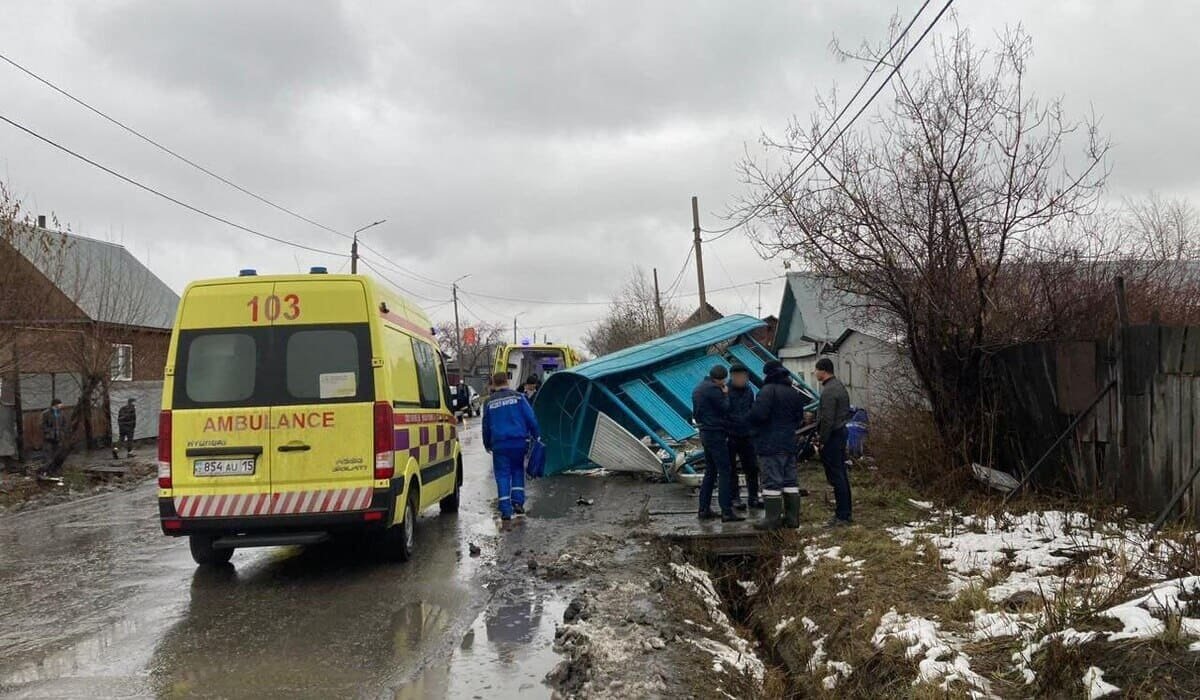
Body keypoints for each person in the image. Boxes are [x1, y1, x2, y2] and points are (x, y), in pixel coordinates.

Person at [748, 360, 806, 530]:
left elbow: (758, 415)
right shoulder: (793, 392)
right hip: (789, 443)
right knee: (790, 482)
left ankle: (772, 519)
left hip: (770, 444)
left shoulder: (767, 391)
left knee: (772, 482)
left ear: (768, 374)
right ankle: (792, 518)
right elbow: (799, 418)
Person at [482, 371, 540, 521]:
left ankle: (506, 510)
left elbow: (486, 425)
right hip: (519, 442)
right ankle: (518, 503)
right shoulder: (519, 397)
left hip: (499, 444)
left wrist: (487, 443)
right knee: (517, 471)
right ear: (507, 381)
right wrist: (536, 435)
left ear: (494, 384)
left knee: (502, 475)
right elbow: (530, 417)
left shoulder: (489, 402)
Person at [692, 365, 744, 522]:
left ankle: (704, 509)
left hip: (704, 432)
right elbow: (725, 408)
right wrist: (726, 395)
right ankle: (726, 511)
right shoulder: (715, 390)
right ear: (722, 379)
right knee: (725, 470)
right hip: (716, 432)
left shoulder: (699, 388)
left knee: (710, 471)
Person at [815, 357, 853, 527]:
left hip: (833, 435)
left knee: (836, 475)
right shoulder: (839, 386)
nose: (815, 373)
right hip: (840, 432)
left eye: (816, 370)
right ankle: (845, 512)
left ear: (823, 371)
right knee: (841, 475)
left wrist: (822, 439)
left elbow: (827, 418)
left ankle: (842, 515)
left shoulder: (829, 391)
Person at [726, 363, 762, 510]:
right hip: (730, 435)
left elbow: (751, 408)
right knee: (731, 469)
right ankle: (735, 497)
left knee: (752, 467)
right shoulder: (725, 391)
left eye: (744, 377)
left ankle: (753, 496)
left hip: (747, 435)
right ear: (733, 377)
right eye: (739, 377)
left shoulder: (749, 391)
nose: (742, 379)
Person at [40, 398, 68, 477]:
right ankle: (45, 471)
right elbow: (42, 425)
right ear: (55, 404)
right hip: (49, 438)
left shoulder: (62, 413)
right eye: (60, 404)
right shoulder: (46, 413)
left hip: (59, 437)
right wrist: (48, 432)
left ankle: (54, 471)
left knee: (57, 455)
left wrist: (63, 432)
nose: (61, 405)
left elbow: (64, 423)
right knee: (48, 455)